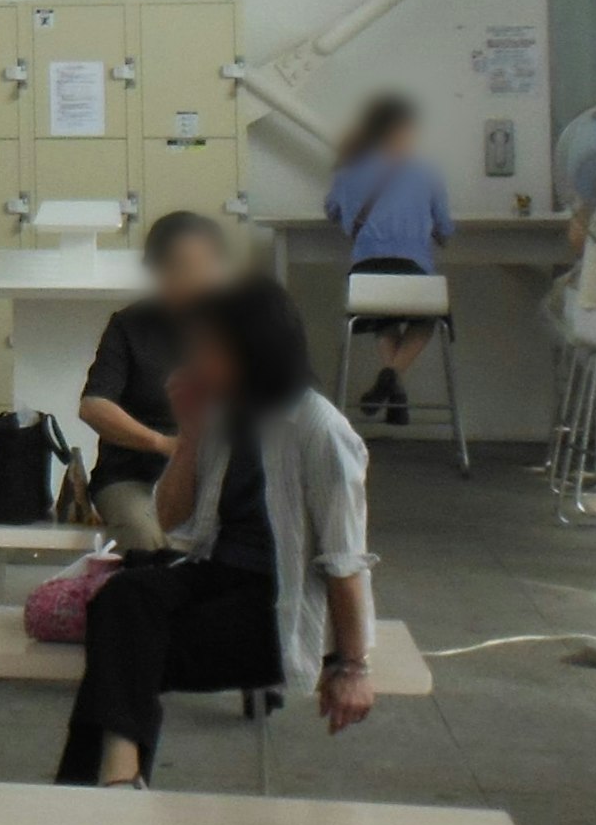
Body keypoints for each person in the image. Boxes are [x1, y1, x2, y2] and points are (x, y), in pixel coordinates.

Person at [54, 278, 379, 786]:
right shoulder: (225, 414)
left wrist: (353, 667)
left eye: (210, 348)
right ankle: (119, 780)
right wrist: (189, 435)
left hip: (276, 608)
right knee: (123, 601)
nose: (198, 362)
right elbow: (172, 520)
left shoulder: (319, 428)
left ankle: (102, 789)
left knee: (122, 652)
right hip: (217, 577)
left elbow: (344, 558)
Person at [78, 211, 236, 554]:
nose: (197, 278)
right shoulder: (129, 325)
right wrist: (164, 444)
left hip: (215, 472)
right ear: (159, 271)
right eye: (182, 267)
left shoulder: (234, 327)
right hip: (135, 476)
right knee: (147, 537)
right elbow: (93, 406)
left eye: (206, 265)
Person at [323, 93, 451, 426]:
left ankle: (393, 386)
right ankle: (391, 376)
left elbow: (332, 211)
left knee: (382, 314)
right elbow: (446, 230)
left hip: (365, 277)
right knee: (427, 316)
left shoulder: (348, 169)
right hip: (413, 273)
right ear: (401, 130)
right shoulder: (426, 173)